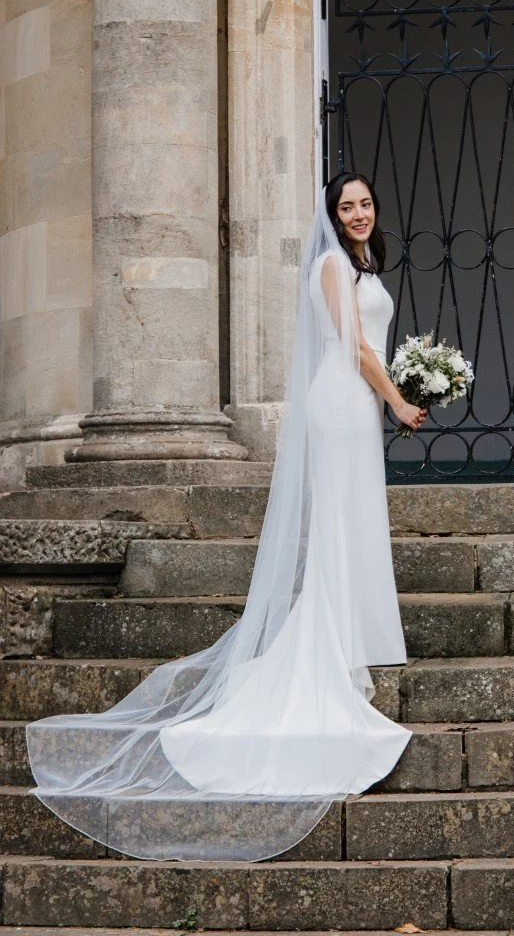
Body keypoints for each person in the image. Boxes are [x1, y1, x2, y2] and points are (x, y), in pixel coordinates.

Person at [26, 173, 426, 862]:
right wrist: (398, 400)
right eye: (345, 206)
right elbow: (357, 348)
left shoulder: (361, 263)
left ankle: (347, 646)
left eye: (364, 204)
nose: (357, 214)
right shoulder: (333, 265)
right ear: (332, 216)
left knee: (351, 528)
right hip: (347, 402)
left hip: (356, 407)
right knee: (337, 530)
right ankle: (331, 656)